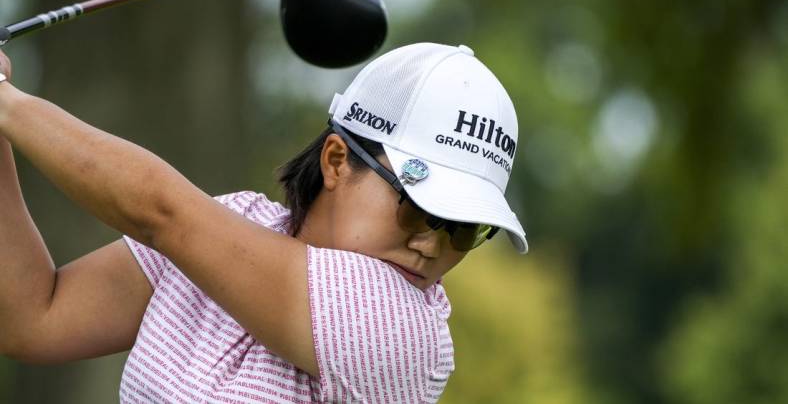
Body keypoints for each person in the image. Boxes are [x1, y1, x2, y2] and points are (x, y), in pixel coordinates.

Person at [0, 42, 527, 403]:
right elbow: (32, 317)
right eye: (417, 207)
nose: (431, 245)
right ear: (338, 160)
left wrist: (6, 103)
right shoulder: (235, 220)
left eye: (463, 229)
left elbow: (160, 212)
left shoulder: (405, 334)